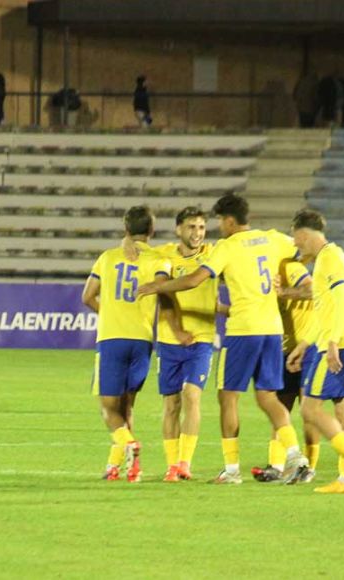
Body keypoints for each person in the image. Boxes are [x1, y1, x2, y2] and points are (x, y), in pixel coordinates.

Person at [137, 194, 308, 485]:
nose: (217, 227)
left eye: (218, 221)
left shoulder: (227, 247)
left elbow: (194, 279)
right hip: (272, 329)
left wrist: (158, 287)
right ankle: (295, 456)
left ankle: (231, 470)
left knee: (227, 397)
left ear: (229, 220)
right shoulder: (273, 239)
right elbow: (302, 251)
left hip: (243, 329)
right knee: (268, 396)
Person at [286, 209, 344, 494]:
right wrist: (303, 345)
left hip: (337, 346)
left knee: (310, 409)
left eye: (295, 238)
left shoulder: (329, 259)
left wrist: (332, 342)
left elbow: (340, 301)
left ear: (303, 233)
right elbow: (325, 311)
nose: (295, 244)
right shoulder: (334, 256)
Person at [82, 205, 171, 483]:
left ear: (125, 229)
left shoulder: (108, 258)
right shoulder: (159, 258)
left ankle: (129, 446)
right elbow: (162, 285)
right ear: (152, 230)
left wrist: (109, 312)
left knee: (109, 408)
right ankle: (121, 467)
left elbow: (87, 296)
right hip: (142, 340)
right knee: (127, 406)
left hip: (112, 339)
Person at [153, 207, 217, 482]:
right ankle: (171, 465)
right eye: (191, 227)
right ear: (178, 229)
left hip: (201, 338)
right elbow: (163, 295)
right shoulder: (164, 255)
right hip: (169, 341)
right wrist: (177, 330)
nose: (197, 233)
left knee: (192, 395)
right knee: (171, 404)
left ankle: (184, 462)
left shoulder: (213, 254)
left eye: (201, 227)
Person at [251, 258, 320, 483]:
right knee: (280, 407)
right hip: (282, 349)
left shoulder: (290, 267)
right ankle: (276, 465)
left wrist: (285, 293)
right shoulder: (258, 276)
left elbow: (313, 290)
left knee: (308, 410)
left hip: (308, 347)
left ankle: (309, 466)